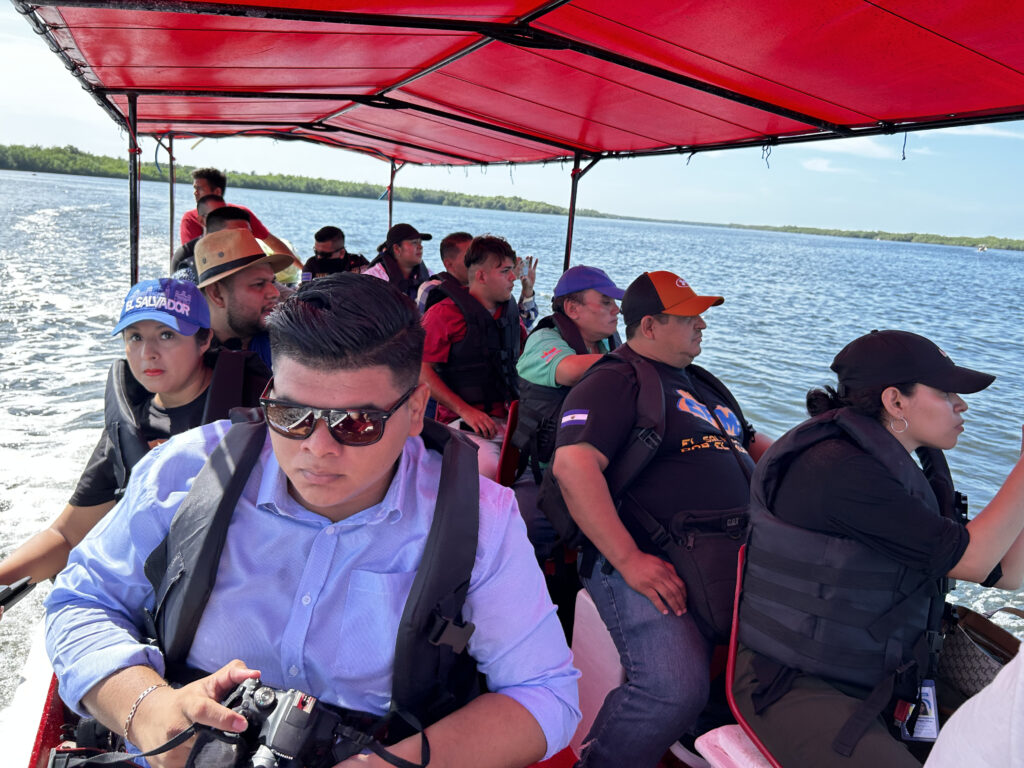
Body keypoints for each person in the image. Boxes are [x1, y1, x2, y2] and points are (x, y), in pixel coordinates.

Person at [44, 273, 580, 768]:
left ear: (417, 409)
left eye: (358, 423)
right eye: (290, 415)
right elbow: (82, 600)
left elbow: (545, 693)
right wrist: (146, 710)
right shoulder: (185, 472)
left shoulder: (478, 520)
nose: (317, 449)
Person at [733, 329, 1024, 767]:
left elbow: (1006, 572)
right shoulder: (838, 471)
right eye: (946, 393)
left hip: (884, 675)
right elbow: (974, 558)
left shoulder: (901, 469)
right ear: (895, 401)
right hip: (796, 682)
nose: (961, 405)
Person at [551, 270, 769, 768]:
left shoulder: (705, 385)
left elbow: (754, 445)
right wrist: (630, 560)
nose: (701, 326)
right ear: (649, 325)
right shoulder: (614, 380)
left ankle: (701, 732)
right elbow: (573, 466)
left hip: (730, 553)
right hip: (644, 557)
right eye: (689, 318)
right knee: (673, 687)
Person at [0, 278, 268, 588]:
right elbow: (66, 535)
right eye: (135, 337)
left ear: (204, 339)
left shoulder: (257, 400)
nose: (147, 353)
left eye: (166, 335)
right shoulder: (131, 429)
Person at [420, 235, 526, 478]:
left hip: (512, 421)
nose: (513, 277)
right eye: (505, 271)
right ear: (481, 276)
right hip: (463, 424)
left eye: (513, 270)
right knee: (490, 470)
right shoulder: (442, 315)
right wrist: (466, 411)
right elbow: (421, 371)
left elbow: (527, 356)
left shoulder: (510, 314)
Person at [195, 228, 293, 371]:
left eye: (272, 282)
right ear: (217, 294)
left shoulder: (287, 345)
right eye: (259, 284)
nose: (275, 292)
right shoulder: (186, 359)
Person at [418, 231, 539, 327]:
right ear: (449, 264)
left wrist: (527, 290)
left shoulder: (492, 292)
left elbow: (522, 324)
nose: (476, 260)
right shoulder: (433, 290)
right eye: (469, 256)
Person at [180, 167, 295, 261]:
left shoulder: (242, 214)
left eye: (199, 189)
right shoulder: (190, 219)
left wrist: (302, 269)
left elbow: (271, 241)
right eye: (194, 188)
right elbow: (193, 257)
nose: (195, 193)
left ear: (217, 192)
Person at [170, 201, 251, 282]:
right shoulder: (187, 278)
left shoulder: (256, 270)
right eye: (235, 236)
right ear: (212, 241)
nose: (245, 241)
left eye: (248, 235)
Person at [364, 223, 432, 300]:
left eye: (420, 242)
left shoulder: (429, 275)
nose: (420, 247)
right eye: (414, 242)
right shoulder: (371, 280)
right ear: (397, 248)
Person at [302, 225, 368, 281]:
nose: (319, 257)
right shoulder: (311, 265)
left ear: (342, 253)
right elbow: (305, 288)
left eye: (325, 254)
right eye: (316, 252)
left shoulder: (358, 264)